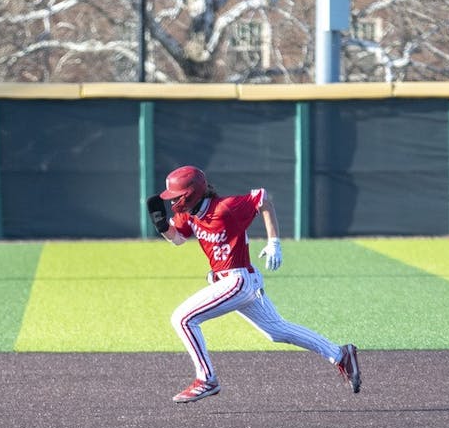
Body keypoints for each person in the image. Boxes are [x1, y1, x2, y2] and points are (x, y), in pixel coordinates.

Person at [146, 165, 360, 403]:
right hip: (235, 281)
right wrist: (163, 226)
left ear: (190, 193)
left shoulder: (225, 207)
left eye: (175, 197)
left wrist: (274, 242)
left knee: (183, 318)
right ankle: (340, 355)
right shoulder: (190, 213)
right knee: (276, 330)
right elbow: (177, 239)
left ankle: (206, 379)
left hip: (237, 281)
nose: (172, 202)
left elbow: (263, 198)